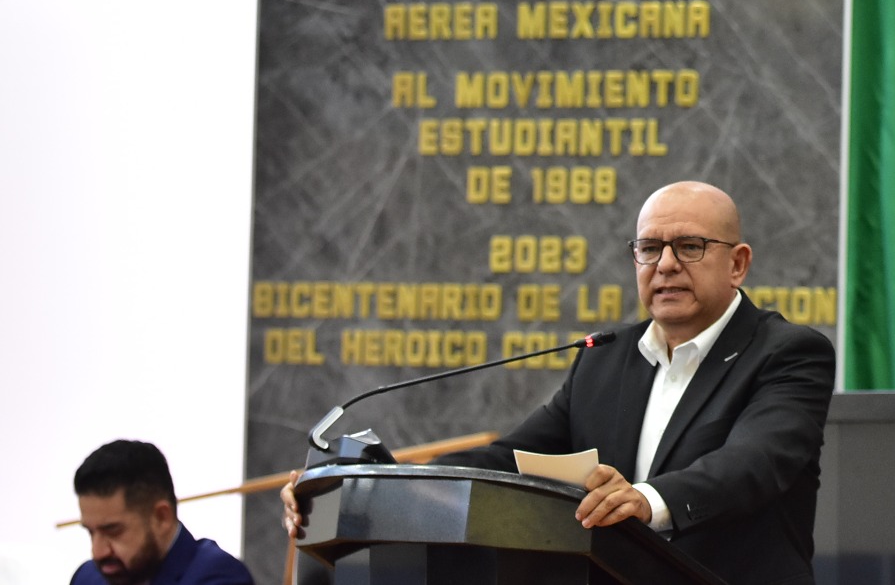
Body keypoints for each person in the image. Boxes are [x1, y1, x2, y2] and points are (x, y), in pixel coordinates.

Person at [281, 180, 836, 585]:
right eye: (649, 249)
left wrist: (645, 500)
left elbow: (752, 463)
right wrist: (381, 485)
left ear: (737, 263)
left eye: (689, 246)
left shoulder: (787, 353)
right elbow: (508, 459)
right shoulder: (606, 360)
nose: (665, 265)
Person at [73, 439, 253, 585]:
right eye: (91, 532)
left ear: (161, 517)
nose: (98, 552)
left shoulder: (220, 576)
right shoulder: (86, 578)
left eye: (113, 531)